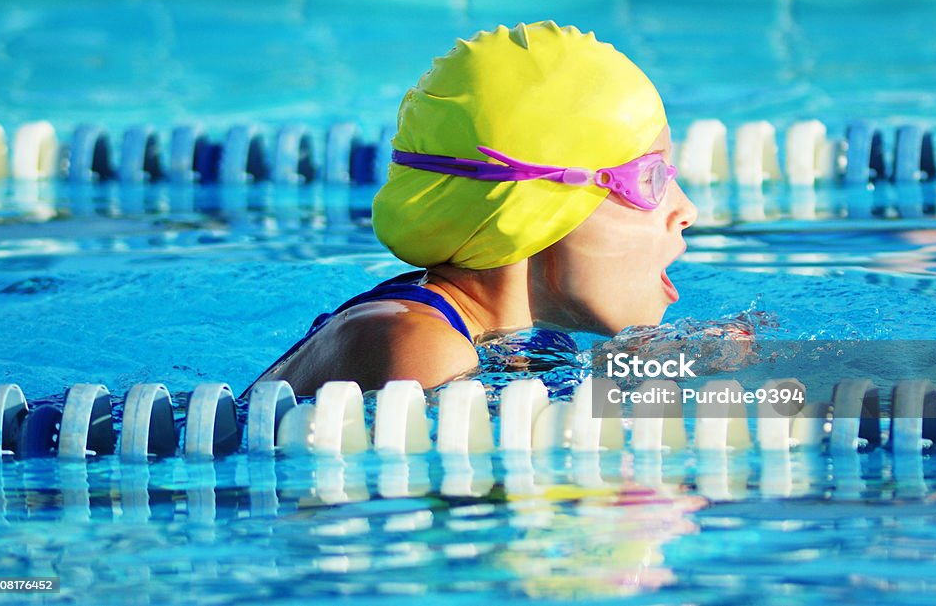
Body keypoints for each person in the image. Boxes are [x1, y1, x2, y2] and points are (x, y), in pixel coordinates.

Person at [243, 20, 697, 398]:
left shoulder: (517, 338)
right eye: (650, 178)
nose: (687, 210)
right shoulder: (421, 346)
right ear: (534, 206)